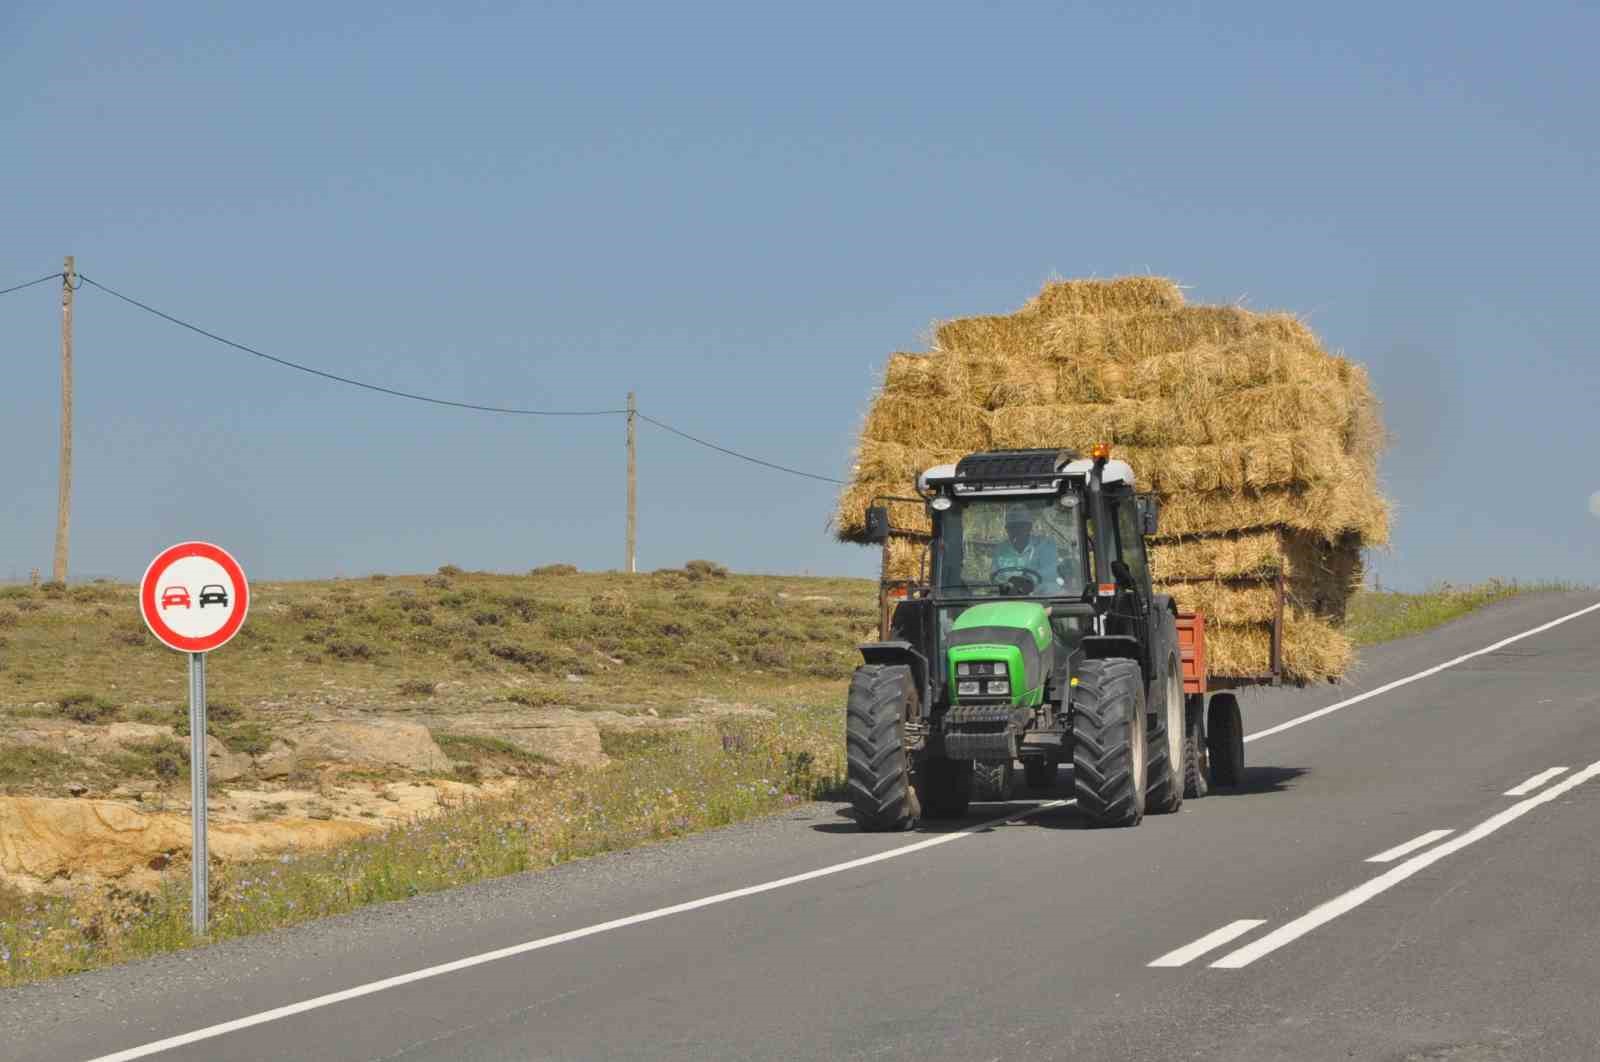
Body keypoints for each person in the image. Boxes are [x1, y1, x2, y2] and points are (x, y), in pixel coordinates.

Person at [991, 504, 1062, 589]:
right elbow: (995, 577)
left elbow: (1051, 571)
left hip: (1040, 596)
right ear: (1007, 529)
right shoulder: (1000, 550)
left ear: (1029, 527)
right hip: (1009, 595)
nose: (1016, 531)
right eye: (1012, 527)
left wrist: (1030, 579)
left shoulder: (1044, 545)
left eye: (1021, 527)